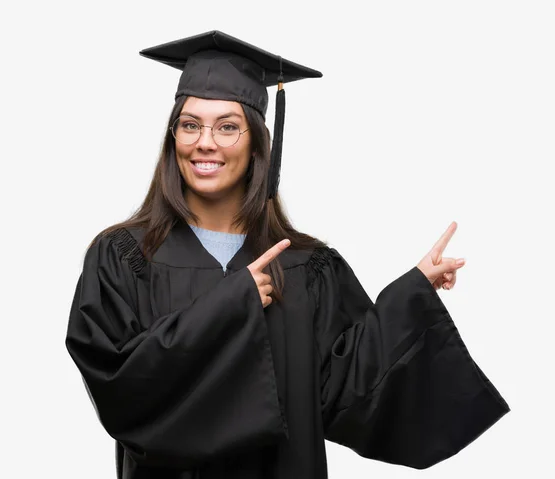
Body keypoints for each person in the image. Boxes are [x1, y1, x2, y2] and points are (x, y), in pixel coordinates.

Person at [65, 30, 510, 479]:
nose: (205, 142)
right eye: (190, 124)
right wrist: (230, 306)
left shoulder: (307, 267)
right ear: (173, 137)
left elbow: (348, 388)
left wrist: (412, 293)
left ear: (257, 141)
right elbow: (119, 388)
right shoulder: (124, 257)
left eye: (227, 127)